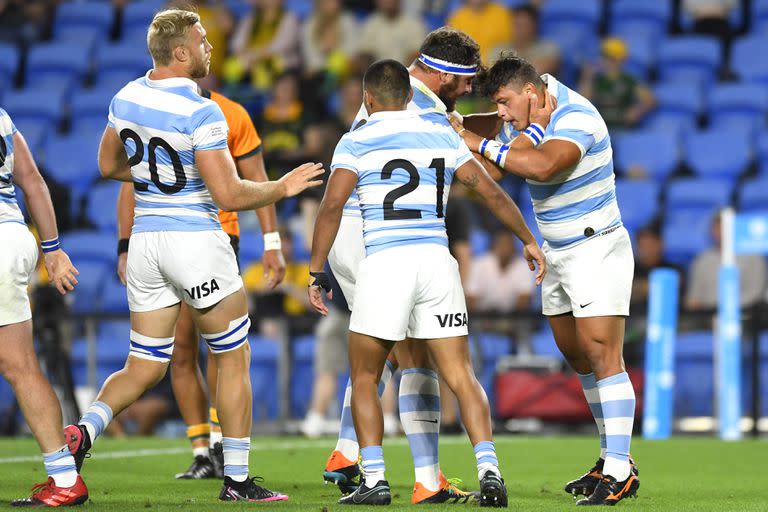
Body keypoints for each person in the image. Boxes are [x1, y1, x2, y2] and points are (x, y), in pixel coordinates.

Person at [63, 9, 322, 502]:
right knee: (232, 357)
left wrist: (155, 176)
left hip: (145, 244)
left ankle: (83, 432)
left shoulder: (126, 96)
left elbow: (106, 164)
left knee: (144, 363)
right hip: (196, 242)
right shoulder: (204, 111)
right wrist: (282, 187)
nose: (210, 49)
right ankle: (239, 481)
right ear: (180, 52)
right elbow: (228, 195)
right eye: (203, 42)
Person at [308, 59, 545, 507]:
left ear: (369, 99)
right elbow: (490, 191)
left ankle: (373, 479)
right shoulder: (440, 133)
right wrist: (528, 240)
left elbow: (332, 206)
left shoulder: (355, 139)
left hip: (386, 263)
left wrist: (316, 269)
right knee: (461, 374)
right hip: (437, 262)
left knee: (365, 375)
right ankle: (489, 469)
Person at [452, 54, 640, 505]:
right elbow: (500, 165)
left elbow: (541, 167)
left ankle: (620, 469)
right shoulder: (526, 116)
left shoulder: (578, 115)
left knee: (602, 351)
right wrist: (460, 124)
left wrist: (468, 138)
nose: (501, 113)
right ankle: (609, 458)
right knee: (576, 355)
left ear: (530, 92)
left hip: (596, 246)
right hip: (556, 252)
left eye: (503, 102)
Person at [321, 27, 487, 505]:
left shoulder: (401, 95)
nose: (470, 88)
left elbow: (454, 122)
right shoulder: (418, 110)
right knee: (409, 355)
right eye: (466, 80)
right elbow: (472, 164)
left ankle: (348, 451)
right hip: (374, 233)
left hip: (367, 233)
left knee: (383, 353)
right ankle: (425, 479)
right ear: (440, 73)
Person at [115, 83, 286, 479]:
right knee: (182, 350)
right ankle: (202, 450)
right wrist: (124, 244)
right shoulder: (149, 112)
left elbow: (255, 176)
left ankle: (220, 442)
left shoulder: (232, 113)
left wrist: (272, 243)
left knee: (217, 346)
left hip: (216, 234)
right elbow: (130, 185)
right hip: (165, 235)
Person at [0, 108, 86, 507]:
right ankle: (65, 478)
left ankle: (65, 477)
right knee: (21, 365)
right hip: (14, 235)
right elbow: (31, 179)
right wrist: (52, 251)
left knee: (19, 366)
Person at [686, 213, 766, 311]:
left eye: (724, 227)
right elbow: (694, 296)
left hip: (745, 312)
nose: (720, 232)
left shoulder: (754, 257)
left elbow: (756, 293)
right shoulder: (702, 259)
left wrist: (726, 307)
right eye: (717, 228)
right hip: (706, 313)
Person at [578, 38, 655, 132]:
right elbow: (582, 102)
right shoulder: (597, 79)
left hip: (622, 127)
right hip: (601, 127)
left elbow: (649, 100)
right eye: (604, 57)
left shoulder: (628, 79)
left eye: (609, 58)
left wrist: (635, 112)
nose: (605, 61)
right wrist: (587, 78)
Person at [467, 230, 534, 313]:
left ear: (514, 246)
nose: (505, 248)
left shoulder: (524, 265)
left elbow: (525, 299)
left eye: (508, 244)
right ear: (495, 245)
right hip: (482, 319)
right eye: (502, 244)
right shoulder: (479, 264)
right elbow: (471, 298)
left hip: (514, 320)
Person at [357, 0, 426, 65]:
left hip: (405, 74)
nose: (388, 1)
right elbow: (364, 53)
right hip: (376, 74)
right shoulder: (371, 24)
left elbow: (417, 55)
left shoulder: (414, 24)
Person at [446, 0, 513, 64]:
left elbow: (508, 44)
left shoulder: (502, 14)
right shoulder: (456, 18)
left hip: (496, 67)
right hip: (469, 68)